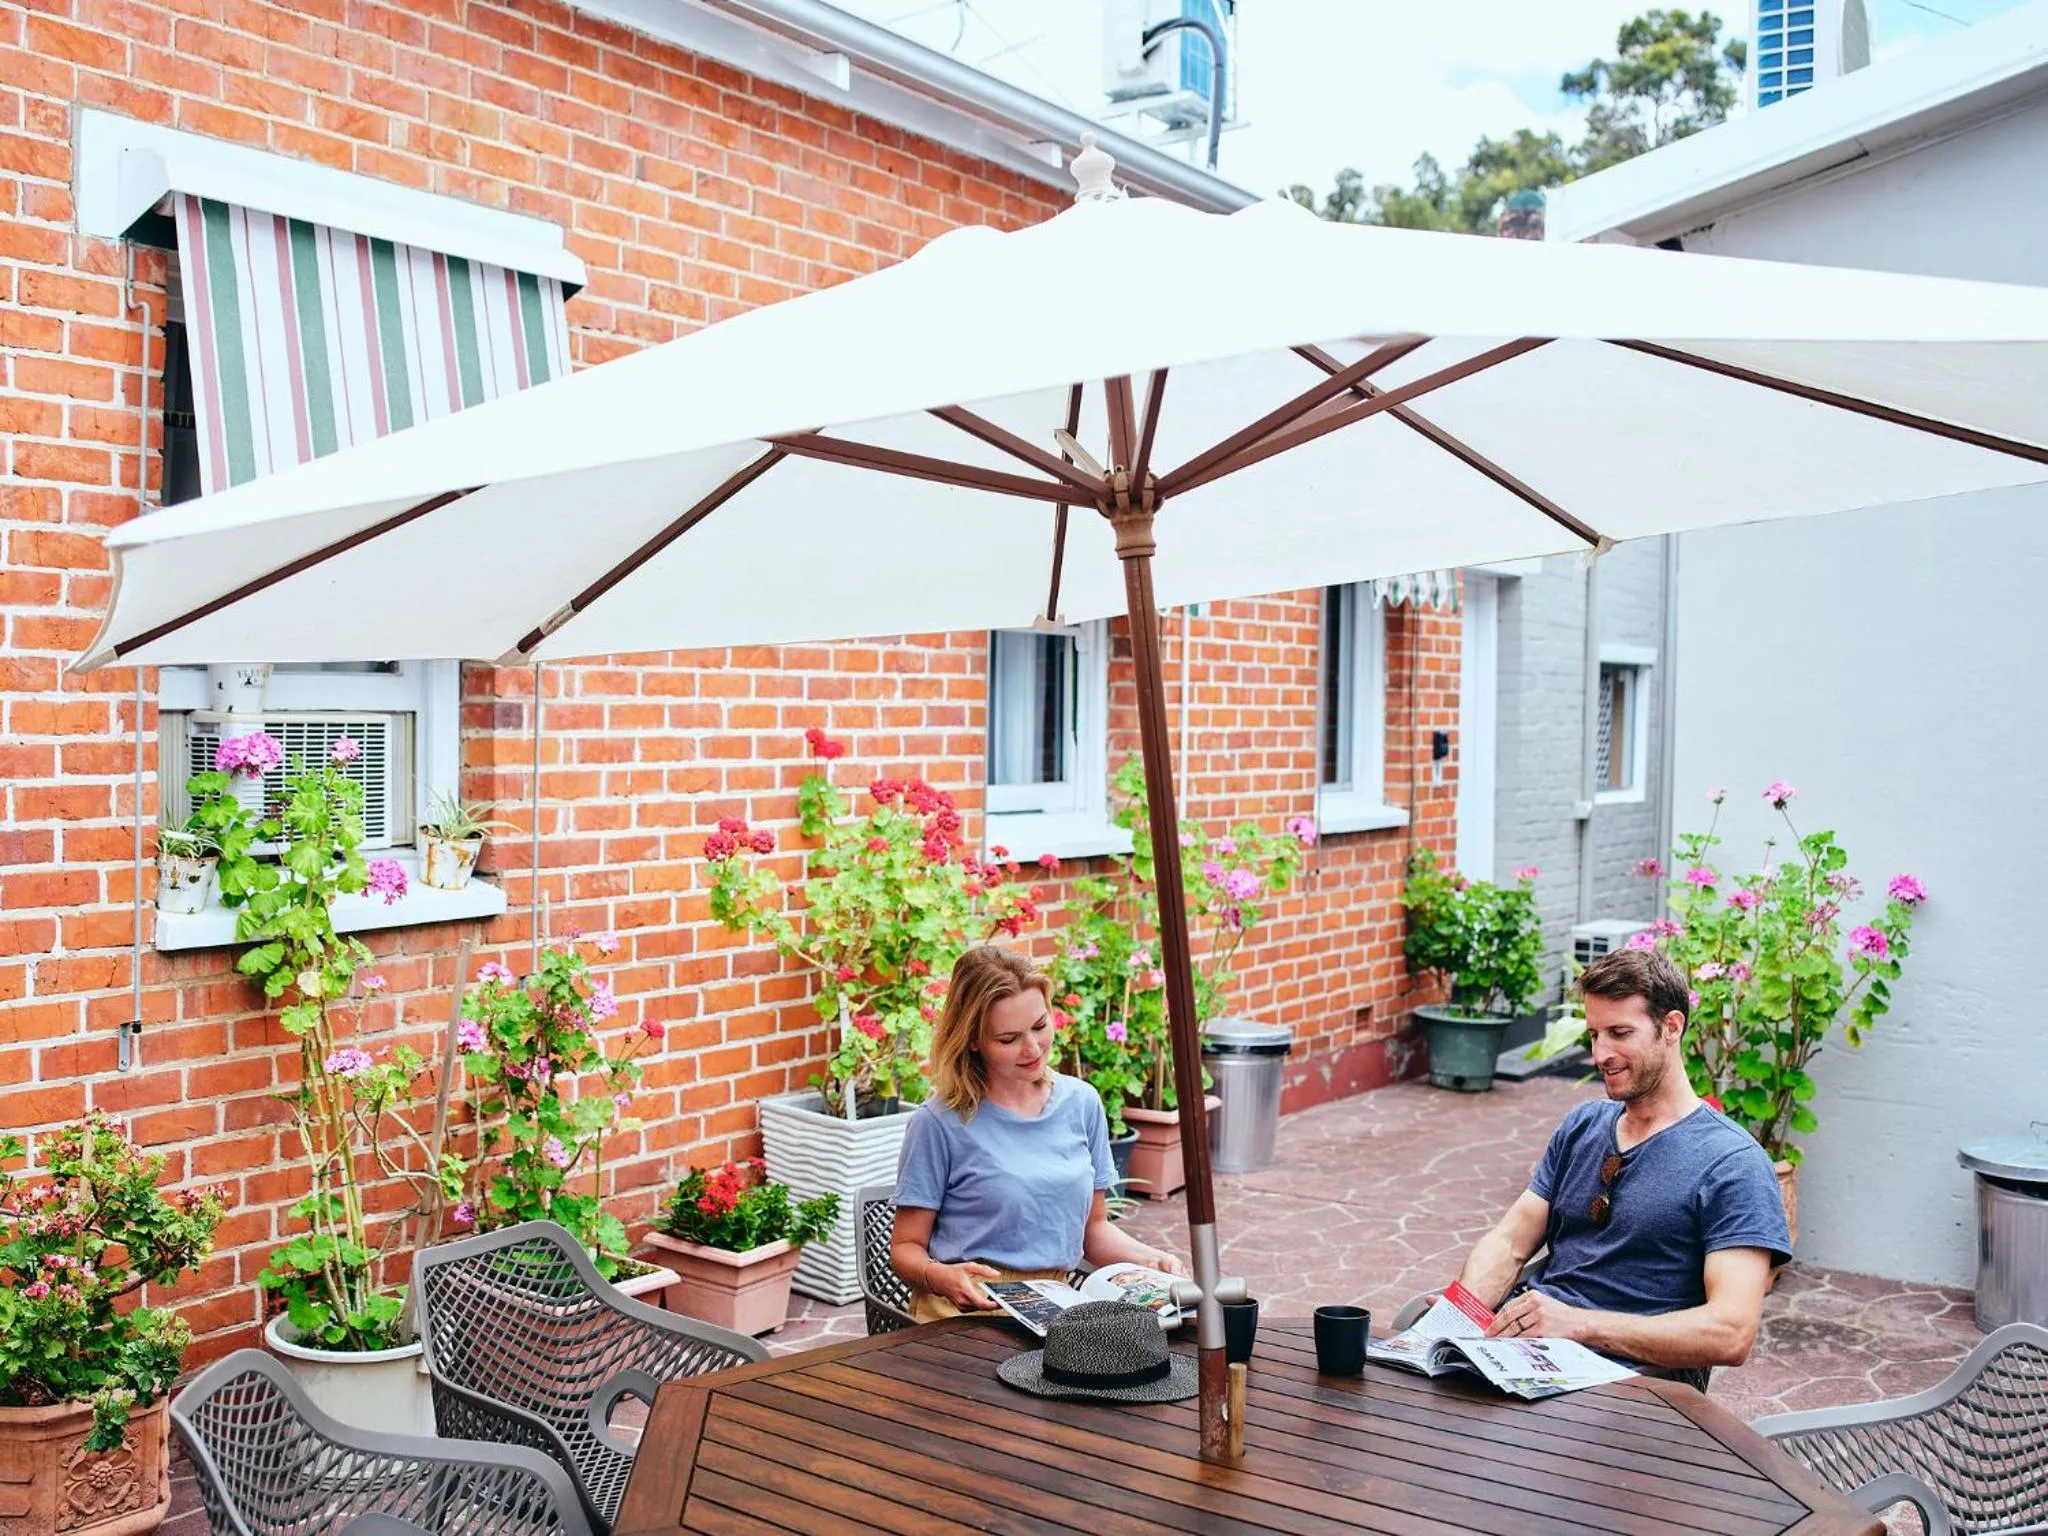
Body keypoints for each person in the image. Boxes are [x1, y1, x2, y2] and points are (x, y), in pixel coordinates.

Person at [1449, 947, 1790, 1376]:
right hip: (1531, 1355)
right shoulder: (1583, 1126)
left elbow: (1731, 1332)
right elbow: (1511, 1242)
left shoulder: (1733, 1164)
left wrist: (1578, 1326)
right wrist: (1463, 1308)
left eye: (1620, 1033)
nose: (1600, 1054)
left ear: (1671, 1027)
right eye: (1594, 1035)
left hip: (1630, 1383)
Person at [891, 944, 1183, 1321]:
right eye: (1008, 1039)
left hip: (1056, 1307)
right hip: (967, 1312)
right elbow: (905, 1248)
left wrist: (1150, 1259)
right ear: (973, 1041)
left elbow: (1093, 1232)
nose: (1032, 1049)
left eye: (1040, 1026)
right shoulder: (939, 1123)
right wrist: (940, 1276)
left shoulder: (1082, 1103)